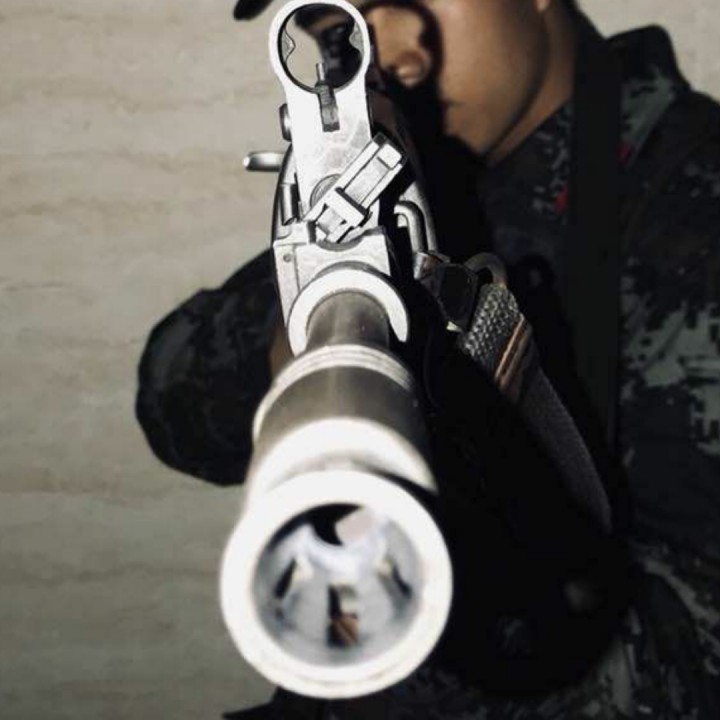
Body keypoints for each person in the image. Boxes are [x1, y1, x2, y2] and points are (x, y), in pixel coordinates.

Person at [135, 0, 720, 717]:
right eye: (342, 29)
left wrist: (405, 604)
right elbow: (173, 405)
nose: (393, 56)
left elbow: (688, 670)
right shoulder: (422, 180)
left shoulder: (691, 211)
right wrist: (319, 306)